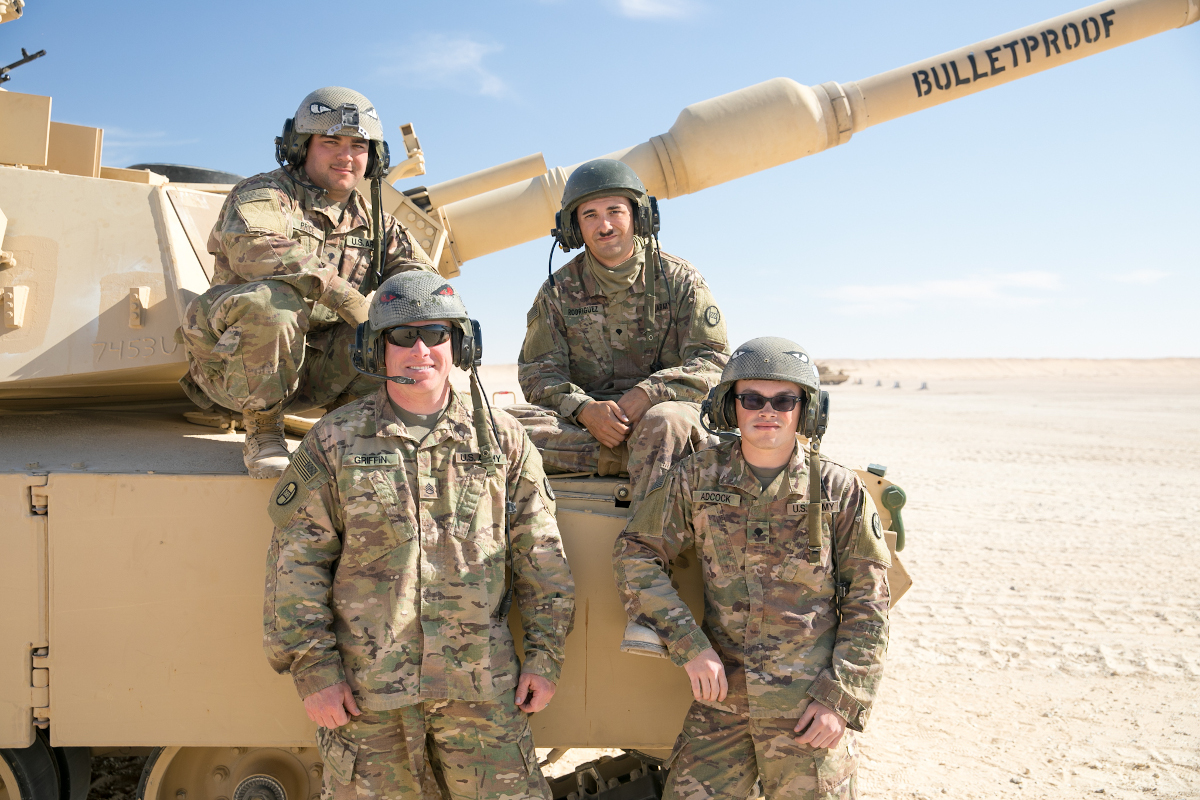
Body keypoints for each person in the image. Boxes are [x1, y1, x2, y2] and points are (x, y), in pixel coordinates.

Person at [263, 271, 574, 799]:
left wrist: (546, 657)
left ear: (461, 345)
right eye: (402, 336)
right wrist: (314, 670)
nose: (420, 349)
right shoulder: (335, 439)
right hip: (369, 696)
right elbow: (296, 564)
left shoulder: (503, 440)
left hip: (480, 691)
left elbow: (542, 557)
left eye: (436, 333)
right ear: (377, 348)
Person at [613, 337, 891, 799]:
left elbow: (870, 604)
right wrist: (689, 644)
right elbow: (637, 553)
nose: (768, 412)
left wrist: (840, 701)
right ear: (730, 406)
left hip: (808, 710)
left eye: (784, 401)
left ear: (807, 411)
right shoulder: (698, 477)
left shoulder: (838, 489)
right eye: (752, 399)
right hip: (721, 707)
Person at [178, 86, 437, 478]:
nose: (346, 156)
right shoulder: (265, 194)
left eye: (358, 145)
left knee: (399, 321)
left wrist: (412, 316)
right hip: (234, 368)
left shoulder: (378, 224)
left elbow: (423, 284)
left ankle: (356, 430)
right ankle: (264, 430)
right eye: (330, 142)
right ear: (301, 147)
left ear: (374, 157)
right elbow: (254, 246)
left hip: (317, 369)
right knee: (274, 301)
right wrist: (347, 298)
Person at [508, 158, 729, 505]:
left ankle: (645, 537)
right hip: (588, 426)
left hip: (668, 415)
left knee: (663, 424)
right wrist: (584, 409)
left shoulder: (680, 279)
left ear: (639, 217)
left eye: (615, 211)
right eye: (590, 215)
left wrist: (650, 393)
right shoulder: (557, 291)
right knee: (497, 428)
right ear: (573, 229)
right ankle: (630, 454)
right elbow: (538, 374)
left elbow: (713, 362)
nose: (605, 225)